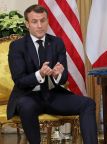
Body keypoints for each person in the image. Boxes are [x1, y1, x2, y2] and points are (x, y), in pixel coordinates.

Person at [7, 4, 98, 144]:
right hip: (28, 96)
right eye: (34, 21)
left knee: (88, 103)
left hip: (52, 94)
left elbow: (64, 76)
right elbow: (19, 80)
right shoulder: (17, 46)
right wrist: (40, 74)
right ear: (27, 24)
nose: (39, 25)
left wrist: (57, 75)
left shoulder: (56, 43)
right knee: (27, 106)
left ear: (48, 21)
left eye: (43, 20)